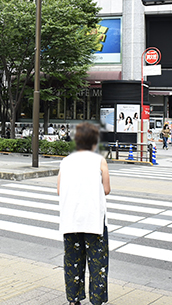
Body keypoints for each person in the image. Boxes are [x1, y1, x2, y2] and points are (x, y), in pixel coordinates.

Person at [57, 123, 110, 305]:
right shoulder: (100, 161)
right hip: (93, 218)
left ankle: (73, 299)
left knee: (72, 260)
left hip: (70, 218)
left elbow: (59, 189)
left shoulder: (66, 161)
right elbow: (107, 189)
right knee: (97, 263)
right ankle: (96, 300)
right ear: (94, 142)